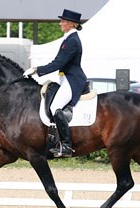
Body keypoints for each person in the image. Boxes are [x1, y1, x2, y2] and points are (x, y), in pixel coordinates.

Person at [23, 9, 88, 158]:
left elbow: (59, 63)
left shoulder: (73, 41)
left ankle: (66, 145)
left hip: (73, 80)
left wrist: (37, 70)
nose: (60, 23)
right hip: (64, 78)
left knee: (55, 107)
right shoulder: (68, 39)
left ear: (71, 24)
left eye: (63, 21)